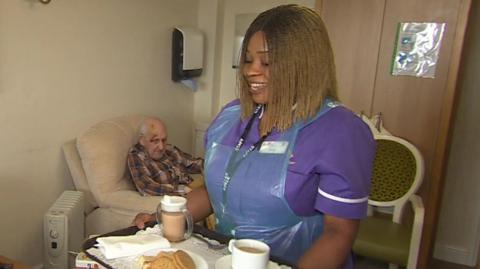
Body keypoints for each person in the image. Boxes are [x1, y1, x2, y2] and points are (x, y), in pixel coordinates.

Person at [133, 5, 375, 269]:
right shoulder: (232, 116)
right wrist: (164, 218)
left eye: (267, 62)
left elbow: (338, 233)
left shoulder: (339, 131)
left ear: (304, 64)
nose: (250, 71)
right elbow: (217, 191)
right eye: (248, 60)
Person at [127, 117, 203, 196]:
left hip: (193, 187)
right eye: (155, 140)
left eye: (164, 140)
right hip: (179, 196)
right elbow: (146, 187)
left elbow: (194, 163)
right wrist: (184, 190)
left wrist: (212, 165)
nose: (161, 147)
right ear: (142, 140)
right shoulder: (136, 155)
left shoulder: (169, 149)